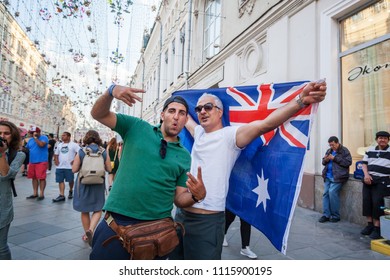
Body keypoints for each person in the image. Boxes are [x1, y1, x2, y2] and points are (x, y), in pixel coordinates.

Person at [170, 80, 327, 260]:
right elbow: (186, 118)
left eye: (207, 107)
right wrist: (175, 98)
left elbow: (266, 124)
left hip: (207, 221)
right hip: (182, 215)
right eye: (198, 109)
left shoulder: (231, 136)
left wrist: (301, 100)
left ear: (220, 112)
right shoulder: (198, 132)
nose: (202, 111)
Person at [89, 85, 206, 260]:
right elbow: (98, 114)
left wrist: (197, 196)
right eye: (172, 111)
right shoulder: (136, 127)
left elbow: (180, 198)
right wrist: (110, 92)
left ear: (185, 119)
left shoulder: (184, 157)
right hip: (115, 226)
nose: (176, 116)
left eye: (182, 113)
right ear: (162, 115)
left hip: (157, 234)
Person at [72, 130, 111, 246]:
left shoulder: (82, 151)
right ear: (98, 138)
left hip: (83, 183)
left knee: (84, 210)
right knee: (98, 209)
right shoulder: (103, 152)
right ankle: (91, 230)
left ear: (86, 138)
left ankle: (86, 234)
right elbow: (109, 169)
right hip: (98, 183)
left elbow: (74, 169)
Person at [0, 120, 26, 259]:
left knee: (1, 247)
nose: (2, 136)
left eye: (6, 133)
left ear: (13, 135)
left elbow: (6, 175)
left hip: (2, 204)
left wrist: (1, 154)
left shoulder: (18, 154)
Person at [360, 130, 390, 239]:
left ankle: (377, 228)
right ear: (376, 139)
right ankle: (370, 225)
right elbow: (364, 164)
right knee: (367, 201)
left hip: (383, 181)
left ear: (388, 140)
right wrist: (366, 175)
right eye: (380, 138)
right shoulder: (370, 150)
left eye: (385, 138)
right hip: (368, 179)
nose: (382, 140)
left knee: (378, 203)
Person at [318, 136, 352, 223]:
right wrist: (325, 159)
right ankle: (326, 215)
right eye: (330, 145)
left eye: (333, 145)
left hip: (338, 176)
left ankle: (335, 215)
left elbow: (348, 163)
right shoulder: (329, 151)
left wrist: (334, 158)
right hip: (328, 176)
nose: (331, 147)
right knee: (325, 194)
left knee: (332, 192)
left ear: (337, 143)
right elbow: (323, 162)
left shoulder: (344, 150)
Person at [52, 131, 79, 202]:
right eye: (62, 135)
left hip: (69, 167)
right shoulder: (60, 145)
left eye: (64, 135)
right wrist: (56, 160)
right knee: (60, 180)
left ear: (69, 137)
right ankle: (61, 195)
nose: (62, 136)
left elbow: (79, 152)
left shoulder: (74, 145)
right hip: (60, 166)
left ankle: (70, 190)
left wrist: (75, 160)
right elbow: (56, 153)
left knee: (70, 180)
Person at [25, 126, 48, 200]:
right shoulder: (30, 140)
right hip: (32, 161)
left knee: (41, 178)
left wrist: (35, 138)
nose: (32, 134)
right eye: (31, 133)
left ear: (38, 132)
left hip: (41, 161)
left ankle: (41, 194)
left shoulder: (44, 138)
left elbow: (41, 145)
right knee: (34, 178)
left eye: (33, 132)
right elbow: (26, 148)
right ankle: (35, 193)